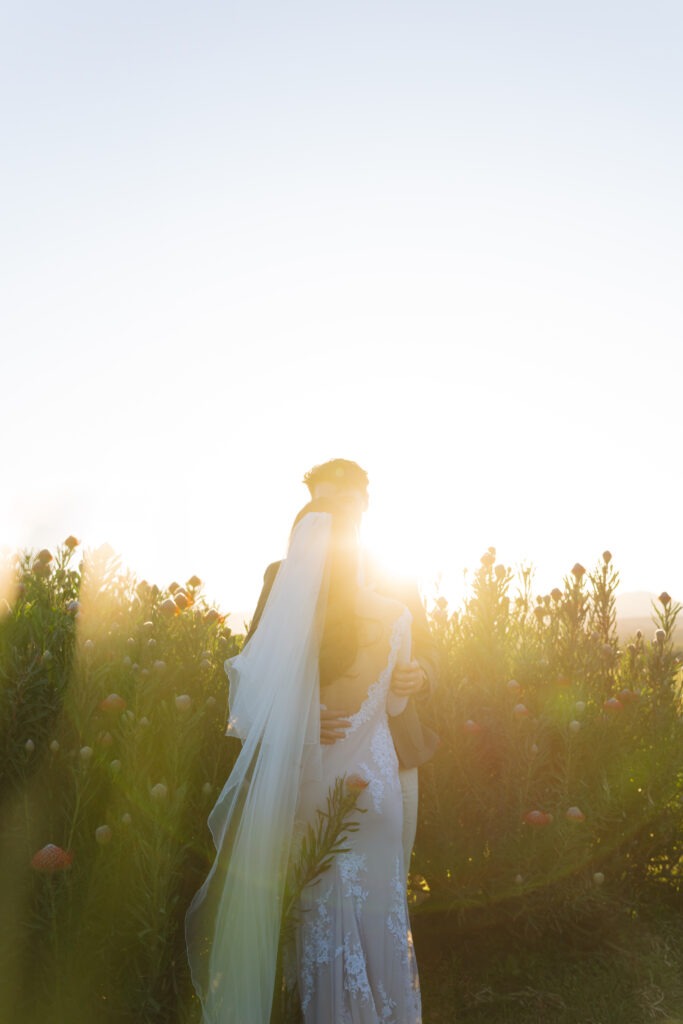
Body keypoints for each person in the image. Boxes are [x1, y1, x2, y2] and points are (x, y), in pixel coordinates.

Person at [185, 491, 425, 1023]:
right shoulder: (395, 616)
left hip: (316, 785)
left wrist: (302, 719)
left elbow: (248, 709)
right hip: (379, 791)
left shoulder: (297, 630)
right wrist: (410, 678)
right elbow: (398, 701)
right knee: (382, 916)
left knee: (322, 922)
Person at [246, 459, 440, 871]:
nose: (336, 513)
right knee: (309, 882)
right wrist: (297, 716)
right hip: (311, 756)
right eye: (325, 503)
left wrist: (420, 671)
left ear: (365, 505)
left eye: (346, 503)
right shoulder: (282, 575)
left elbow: (431, 650)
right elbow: (255, 666)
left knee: (390, 879)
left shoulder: (396, 576)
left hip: (395, 754)